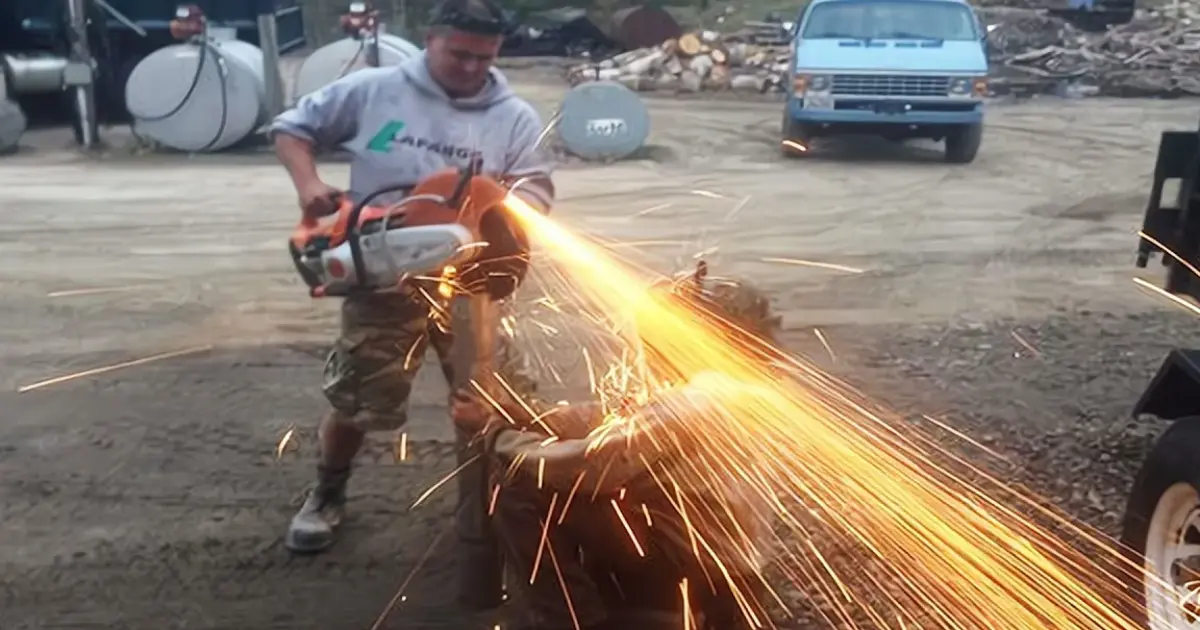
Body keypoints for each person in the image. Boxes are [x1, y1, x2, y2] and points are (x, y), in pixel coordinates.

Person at [269, 0, 554, 554]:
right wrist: (308, 186)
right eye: (460, 54)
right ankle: (327, 493)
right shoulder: (375, 90)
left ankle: (499, 504)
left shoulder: (512, 115)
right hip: (384, 274)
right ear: (431, 39)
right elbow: (291, 128)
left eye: (485, 57)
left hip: (472, 283)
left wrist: (506, 216)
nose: (472, 67)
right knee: (357, 399)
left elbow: (536, 188)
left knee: (492, 401)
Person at [451, 278, 782, 630]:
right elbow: (614, 419)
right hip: (735, 561)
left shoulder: (698, 400)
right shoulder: (736, 387)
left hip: (704, 565)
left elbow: (585, 465)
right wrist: (527, 414)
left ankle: (571, 620)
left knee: (517, 480)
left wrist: (496, 433)